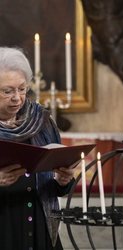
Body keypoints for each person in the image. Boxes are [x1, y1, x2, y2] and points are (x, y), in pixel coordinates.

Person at [0, 47, 75, 249]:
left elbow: (57, 185)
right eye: (8, 91)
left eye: (22, 89)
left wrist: (62, 180)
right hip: (5, 228)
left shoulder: (41, 122)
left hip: (40, 227)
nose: (17, 97)